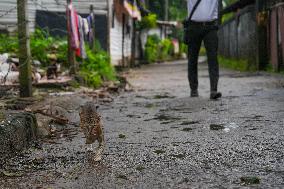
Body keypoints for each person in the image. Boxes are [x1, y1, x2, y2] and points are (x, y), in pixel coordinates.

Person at [186, 0, 222, 100]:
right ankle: (193, 89)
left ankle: (213, 90)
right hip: (193, 26)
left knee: (213, 58)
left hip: (211, 26)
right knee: (192, 58)